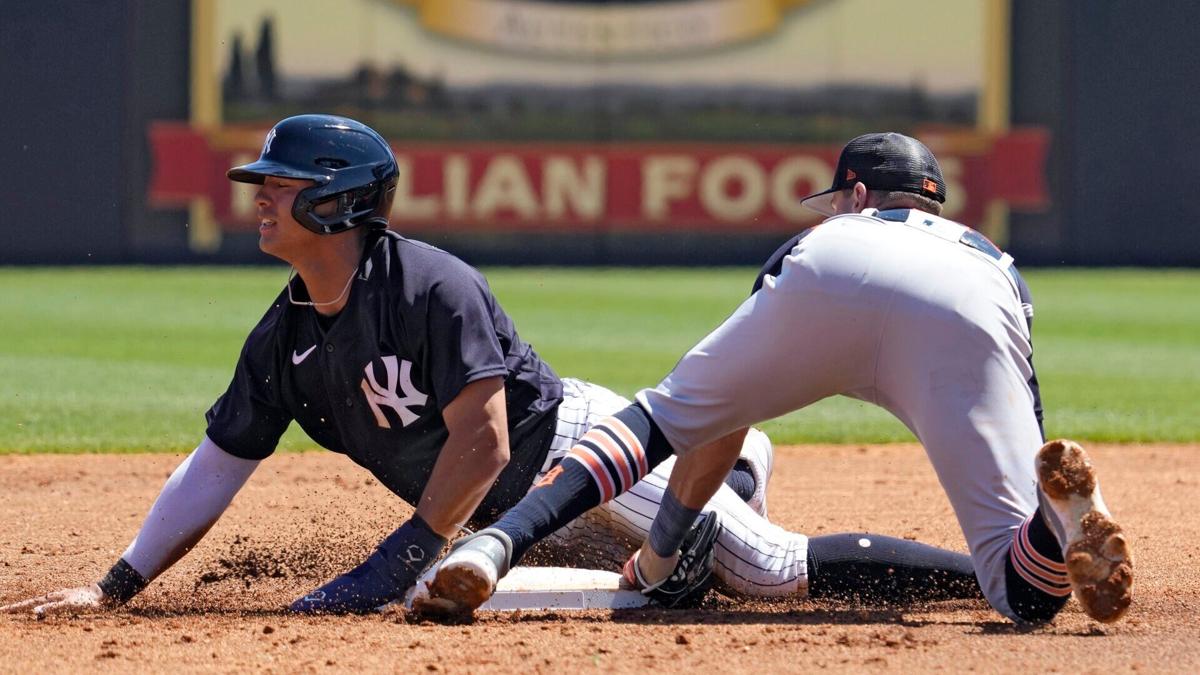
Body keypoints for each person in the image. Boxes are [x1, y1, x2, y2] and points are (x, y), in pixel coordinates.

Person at [2, 119, 985, 618]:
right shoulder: (284, 338)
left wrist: (392, 560)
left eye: (279, 185)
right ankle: (729, 471)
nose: (259, 198)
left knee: (757, 574)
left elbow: (481, 438)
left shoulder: (433, 287)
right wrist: (118, 585)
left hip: (576, 452)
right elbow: (215, 464)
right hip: (492, 511)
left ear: (339, 199)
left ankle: (999, 579)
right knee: (640, 592)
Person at [420, 132, 1133, 625]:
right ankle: (1060, 518)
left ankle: (493, 547)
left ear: (856, 193)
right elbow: (1030, 419)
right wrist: (1037, 488)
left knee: (659, 420)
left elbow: (716, 421)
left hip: (836, 273)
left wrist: (661, 553)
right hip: (972, 303)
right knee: (1023, 591)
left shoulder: (832, 232)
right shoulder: (991, 257)